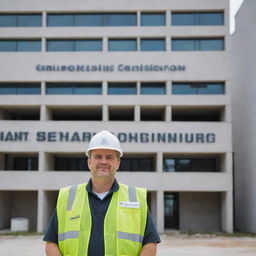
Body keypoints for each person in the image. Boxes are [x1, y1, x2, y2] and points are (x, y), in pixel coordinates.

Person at [43, 130, 161, 256]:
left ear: (118, 163)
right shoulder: (68, 196)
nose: (103, 162)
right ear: (89, 162)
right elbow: (51, 242)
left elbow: (150, 243)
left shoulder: (135, 197)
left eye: (109, 157)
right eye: (98, 156)